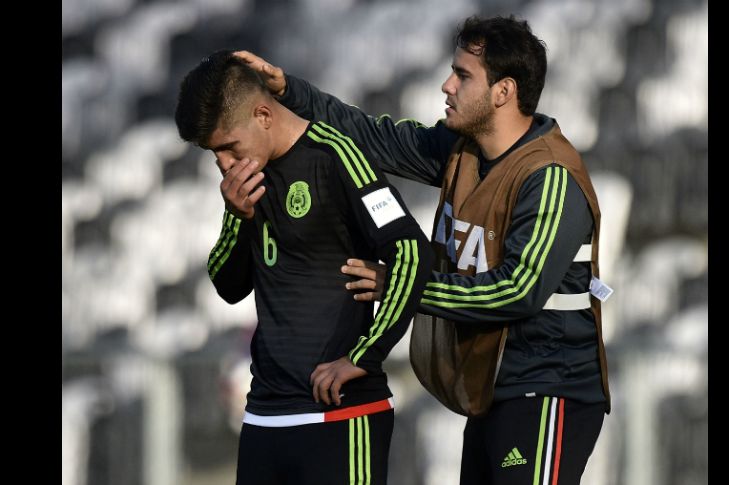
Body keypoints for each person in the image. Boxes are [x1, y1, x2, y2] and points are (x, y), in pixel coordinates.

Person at [236, 13, 612, 485]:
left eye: (462, 75)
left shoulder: (550, 176)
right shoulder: (463, 149)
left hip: (549, 389)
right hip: (492, 388)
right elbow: (374, 138)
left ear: (504, 91)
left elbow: (517, 290)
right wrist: (292, 92)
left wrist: (404, 287)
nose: (446, 85)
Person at [174, 50, 433, 485]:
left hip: (341, 415)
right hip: (264, 418)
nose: (222, 163)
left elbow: (410, 251)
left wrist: (364, 355)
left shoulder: (336, 156)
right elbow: (228, 285)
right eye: (211, 153)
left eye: (227, 146)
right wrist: (236, 216)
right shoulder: (245, 183)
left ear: (263, 114)